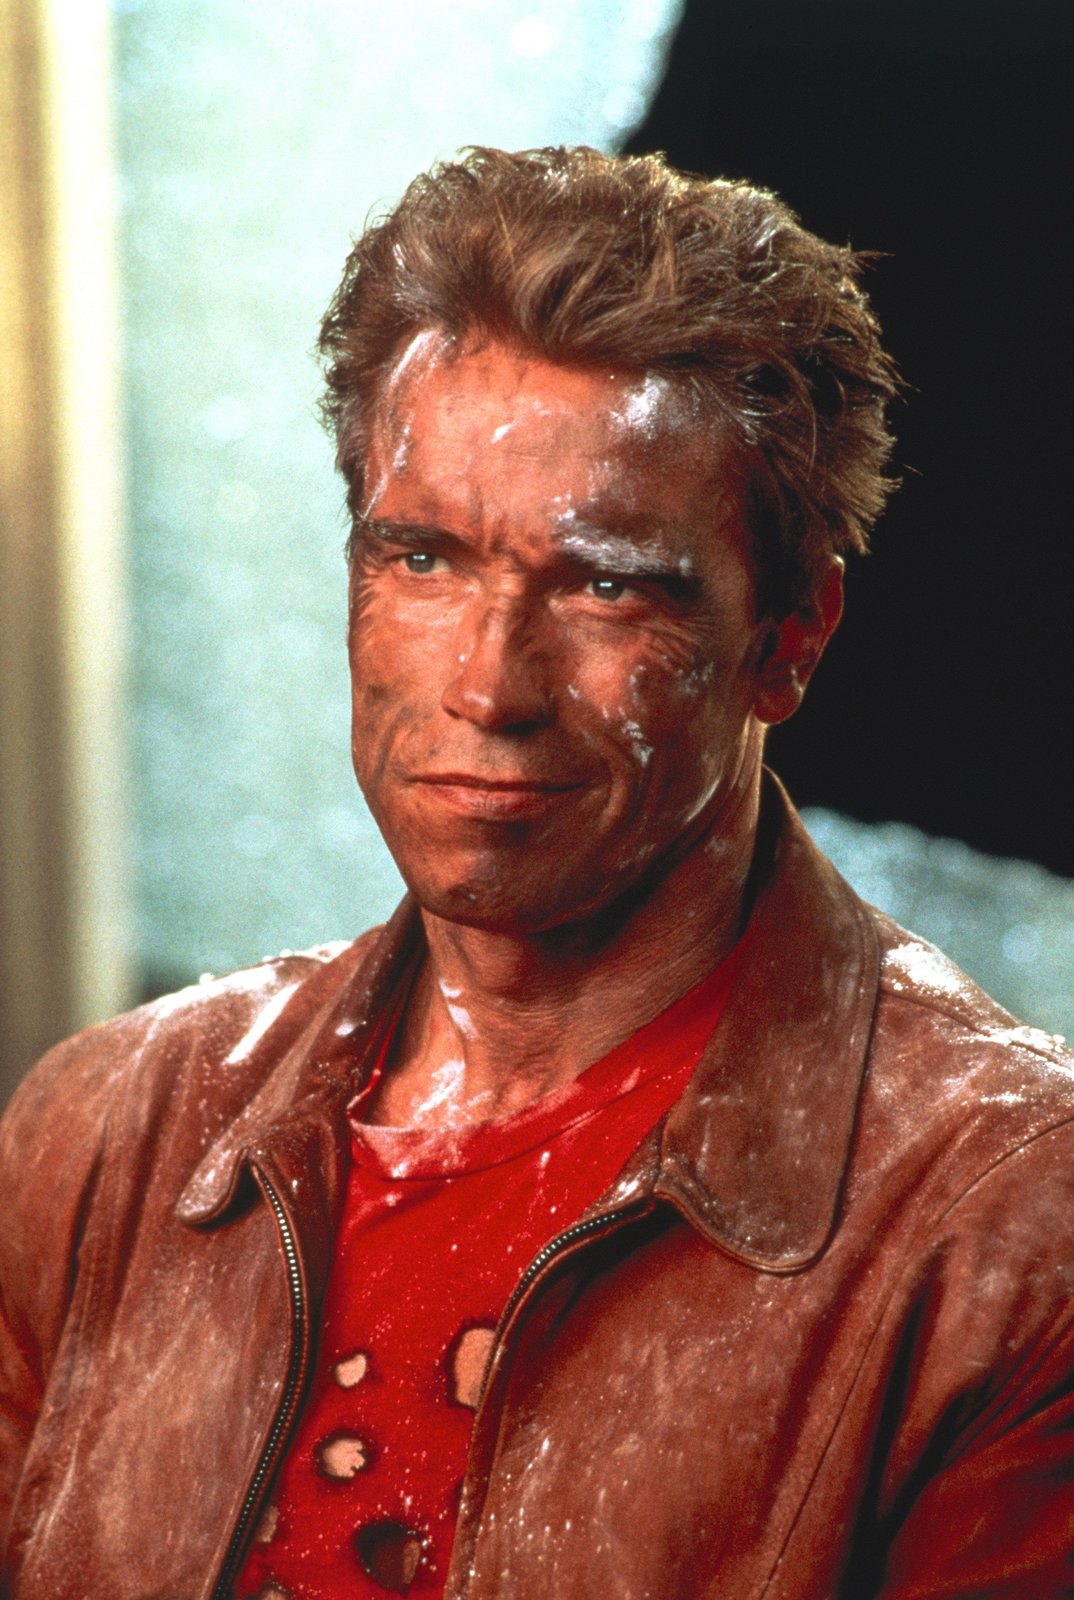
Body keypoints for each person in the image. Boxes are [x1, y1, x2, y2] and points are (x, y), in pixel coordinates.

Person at [2, 145, 1073, 1600]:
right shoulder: (105, 1134)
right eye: (423, 561)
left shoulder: (1008, 1222)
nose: (489, 686)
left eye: (605, 583)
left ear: (788, 639)